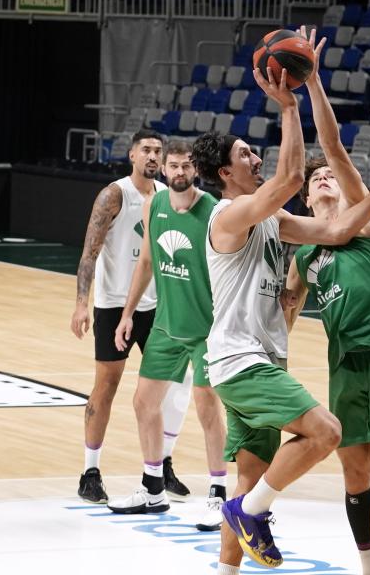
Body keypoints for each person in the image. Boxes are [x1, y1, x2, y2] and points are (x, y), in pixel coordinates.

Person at [193, 68, 370, 572]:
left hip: (276, 359)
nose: (256, 157)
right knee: (326, 433)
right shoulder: (229, 215)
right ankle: (249, 513)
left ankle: (230, 556)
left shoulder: (282, 224)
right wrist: (289, 105)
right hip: (243, 361)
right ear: (226, 173)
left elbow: (337, 231)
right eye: (246, 154)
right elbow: (291, 179)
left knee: (250, 476)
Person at [280, 27, 370, 575]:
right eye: (313, 180)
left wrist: (312, 82)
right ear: (305, 197)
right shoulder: (305, 252)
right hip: (344, 362)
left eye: (327, 178)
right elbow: (287, 309)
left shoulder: (364, 221)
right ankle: (365, 564)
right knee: (354, 473)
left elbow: (332, 146)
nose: (322, 180)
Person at [105, 140, 228, 530]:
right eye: (172, 166)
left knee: (208, 409)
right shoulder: (154, 205)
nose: (177, 172)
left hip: (206, 328)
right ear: (165, 169)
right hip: (166, 324)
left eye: (185, 166)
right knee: (144, 402)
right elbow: (144, 263)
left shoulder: (213, 211)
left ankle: (218, 496)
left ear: (195, 170)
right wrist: (127, 314)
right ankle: (153, 488)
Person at [69, 129, 191, 505]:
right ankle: (90, 471)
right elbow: (90, 252)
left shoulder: (170, 197)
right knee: (106, 386)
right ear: (132, 156)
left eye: (158, 151)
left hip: (157, 305)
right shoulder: (115, 194)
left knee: (174, 384)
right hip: (113, 305)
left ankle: (161, 465)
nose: (153, 156)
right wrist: (81, 303)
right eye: (147, 151)